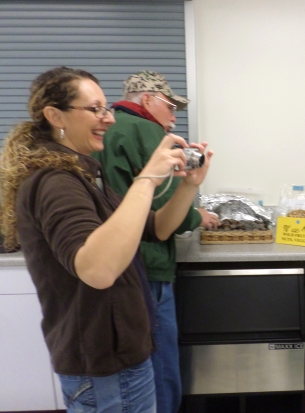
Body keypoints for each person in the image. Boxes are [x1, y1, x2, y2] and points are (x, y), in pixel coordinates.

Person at [0, 66, 213, 413]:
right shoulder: (54, 181)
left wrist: (189, 184)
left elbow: (156, 227)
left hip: (119, 359)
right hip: (106, 368)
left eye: (106, 109)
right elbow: (97, 269)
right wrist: (146, 180)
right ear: (55, 116)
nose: (109, 119)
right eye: (95, 109)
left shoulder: (84, 173)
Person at [92, 70, 218, 413]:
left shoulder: (104, 131)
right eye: (169, 106)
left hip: (115, 257)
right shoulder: (144, 129)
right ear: (147, 100)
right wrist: (196, 216)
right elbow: (163, 201)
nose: (174, 117)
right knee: (159, 360)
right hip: (148, 263)